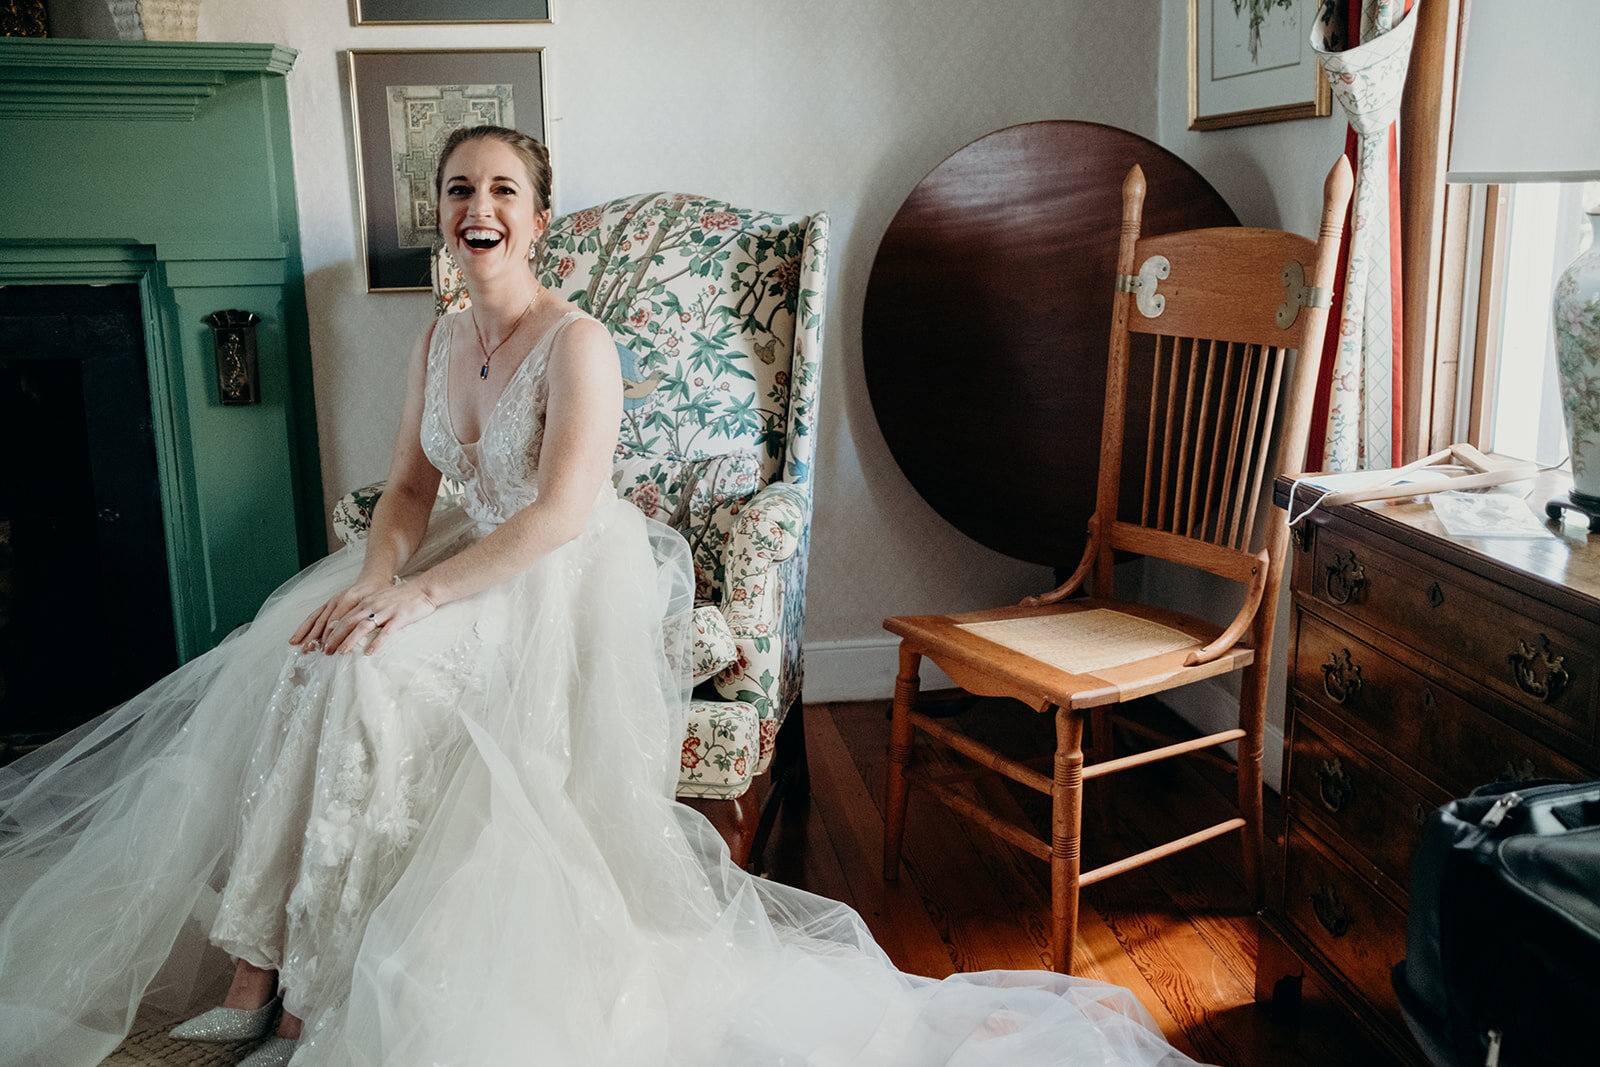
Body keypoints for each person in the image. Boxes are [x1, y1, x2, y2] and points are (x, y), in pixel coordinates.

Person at [0, 126, 1204, 1067]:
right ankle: (250, 973)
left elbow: (560, 516)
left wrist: (415, 608)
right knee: (313, 649)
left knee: (370, 672)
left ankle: (311, 999)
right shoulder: (435, 340)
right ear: (443, 215)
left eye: (501, 192)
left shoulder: (579, 346)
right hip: (460, 549)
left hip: (559, 572)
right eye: (458, 190)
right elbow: (411, 490)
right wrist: (375, 575)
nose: (476, 210)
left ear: (536, 217)